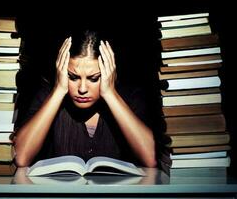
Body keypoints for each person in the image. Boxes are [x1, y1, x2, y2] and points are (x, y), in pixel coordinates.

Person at [14, 30, 157, 168]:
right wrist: (58, 91)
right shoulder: (48, 94)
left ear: (111, 72)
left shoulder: (129, 96)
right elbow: (21, 158)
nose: (82, 89)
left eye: (94, 79)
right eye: (73, 77)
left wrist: (110, 94)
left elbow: (150, 159)